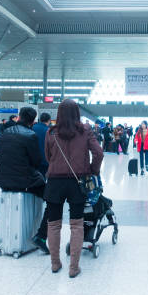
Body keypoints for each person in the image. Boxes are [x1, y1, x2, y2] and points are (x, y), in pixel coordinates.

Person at [45, 99, 103, 278]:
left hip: (55, 182)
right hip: (78, 182)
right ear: (77, 113)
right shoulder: (85, 130)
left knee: (53, 224)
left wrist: (56, 167)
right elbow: (98, 153)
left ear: (59, 113)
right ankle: (73, 267)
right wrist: (93, 170)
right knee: (76, 225)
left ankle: (55, 264)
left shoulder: (52, 132)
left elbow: (48, 156)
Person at [0, 107, 50, 255]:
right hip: (24, 181)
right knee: (52, 199)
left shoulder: (6, 132)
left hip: (3, 179)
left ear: (19, 116)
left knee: (8, 200)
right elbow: (36, 161)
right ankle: (40, 236)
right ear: (33, 120)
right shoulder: (31, 135)